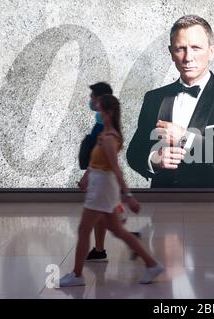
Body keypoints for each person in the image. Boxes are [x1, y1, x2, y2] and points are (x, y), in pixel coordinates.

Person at [127, 15, 214, 188]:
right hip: (161, 208)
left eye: (196, 48)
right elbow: (134, 153)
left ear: (211, 51)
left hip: (211, 208)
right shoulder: (154, 98)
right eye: (180, 48)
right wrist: (154, 159)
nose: (188, 57)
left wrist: (185, 138)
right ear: (171, 53)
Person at [59, 94, 164, 287]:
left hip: (102, 188)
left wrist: (128, 196)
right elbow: (94, 163)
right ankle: (152, 264)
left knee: (84, 229)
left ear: (107, 113)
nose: (97, 113)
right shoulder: (104, 135)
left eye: (99, 110)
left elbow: (116, 169)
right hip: (100, 185)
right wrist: (85, 179)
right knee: (117, 230)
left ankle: (77, 274)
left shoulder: (109, 138)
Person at [83, 82, 139, 262]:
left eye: (92, 98)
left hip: (103, 182)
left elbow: (109, 164)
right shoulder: (106, 124)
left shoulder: (104, 129)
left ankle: (133, 246)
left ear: (100, 101)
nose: (90, 102)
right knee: (108, 220)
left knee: (102, 222)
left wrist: (127, 194)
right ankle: (102, 248)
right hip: (102, 181)